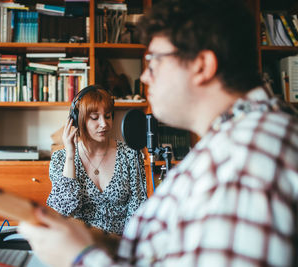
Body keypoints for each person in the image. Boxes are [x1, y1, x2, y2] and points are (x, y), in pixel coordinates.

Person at [18, 0, 298, 266]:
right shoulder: (228, 143)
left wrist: (79, 256)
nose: (144, 77)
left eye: (154, 61)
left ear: (201, 65)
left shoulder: (247, 157)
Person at [46, 84, 147, 235]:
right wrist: (70, 156)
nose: (104, 124)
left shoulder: (130, 155)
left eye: (107, 116)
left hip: (120, 245)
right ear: (77, 120)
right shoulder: (60, 159)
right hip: (80, 243)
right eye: (94, 118)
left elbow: (138, 208)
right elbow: (63, 211)